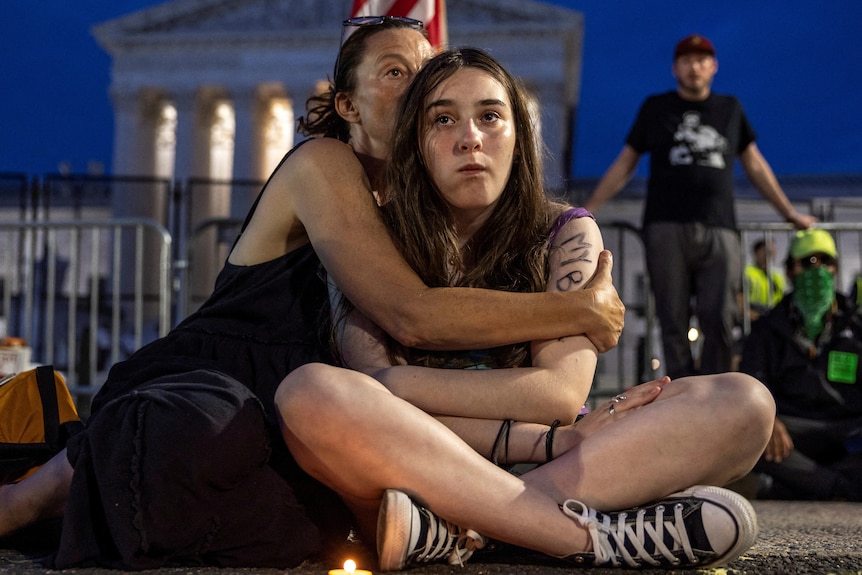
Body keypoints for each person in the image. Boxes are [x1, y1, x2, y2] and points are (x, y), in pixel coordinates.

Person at [0, 18, 627, 569]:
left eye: (425, 75)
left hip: (306, 407)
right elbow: (412, 316)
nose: (417, 88)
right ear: (348, 106)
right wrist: (578, 308)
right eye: (393, 72)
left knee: (316, 521)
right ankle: (29, 499)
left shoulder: (416, 214)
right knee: (201, 433)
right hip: (214, 376)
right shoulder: (325, 161)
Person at [277, 47, 776, 571]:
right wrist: (553, 440)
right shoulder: (374, 236)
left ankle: (458, 531)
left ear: (519, 134)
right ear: (415, 145)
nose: (470, 137)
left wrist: (401, 386)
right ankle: (585, 539)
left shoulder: (566, 231)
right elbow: (371, 399)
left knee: (743, 402)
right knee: (310, 393)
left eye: (490, 116)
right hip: (434, 465)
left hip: (532, 466)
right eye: (443, 119)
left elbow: (557, 394)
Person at [584, 33, 816, 379]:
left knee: (719, 315)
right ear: (675, 67)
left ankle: (715, 394)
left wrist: (789, 213)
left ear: (714, 66)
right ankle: (681, 393)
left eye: (702, 60)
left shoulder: (729, 109)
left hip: (719, 226)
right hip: (665, 226)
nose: (695, 67)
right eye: (687, 60)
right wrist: (588, 209)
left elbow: (755, 164)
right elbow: (625, 163)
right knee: (671, 317)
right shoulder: (656, 108)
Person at [740, 229, 862, 501]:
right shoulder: (767, 329)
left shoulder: (856, 326)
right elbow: (749, 384)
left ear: (835, 268)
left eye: (825, 261)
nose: (817, 270)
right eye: (808, 262)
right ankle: (840, 487)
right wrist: (768, 419)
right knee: (744, 431)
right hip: (789, 433)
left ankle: (797, 486)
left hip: (846, 429)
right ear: (790, 270)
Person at [743, 238, 786, 321]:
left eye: (773, 252)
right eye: (767, 252)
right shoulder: (746, 273)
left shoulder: (778, 276)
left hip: (773, 318)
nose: (770, 255)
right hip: (753, 318)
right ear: (756, 252)